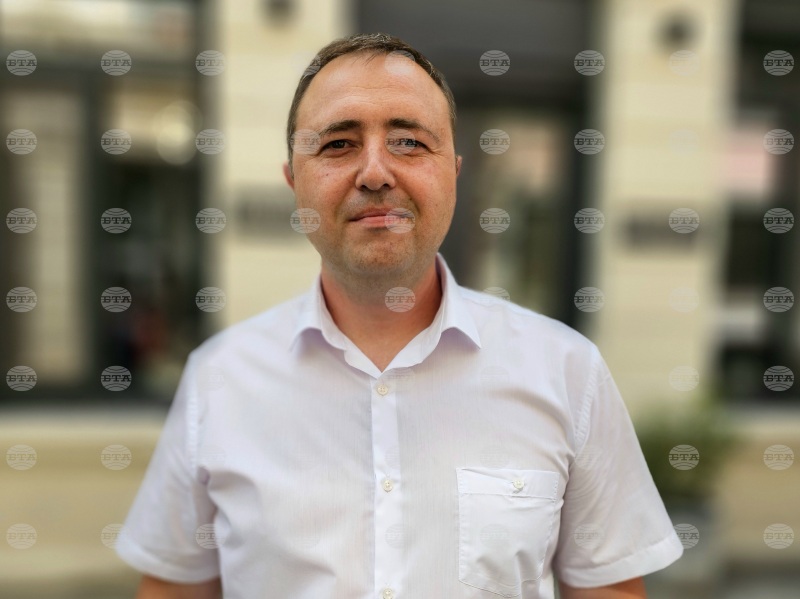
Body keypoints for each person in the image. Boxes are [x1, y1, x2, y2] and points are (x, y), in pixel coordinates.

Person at [117, 32, 683, 599]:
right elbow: (172, 589)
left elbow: (609, 589)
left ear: (454, 173)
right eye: (338, 144)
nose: (375, 172)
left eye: (409, 141)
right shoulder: (218, 378)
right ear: (294, 181)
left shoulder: (567, 372)